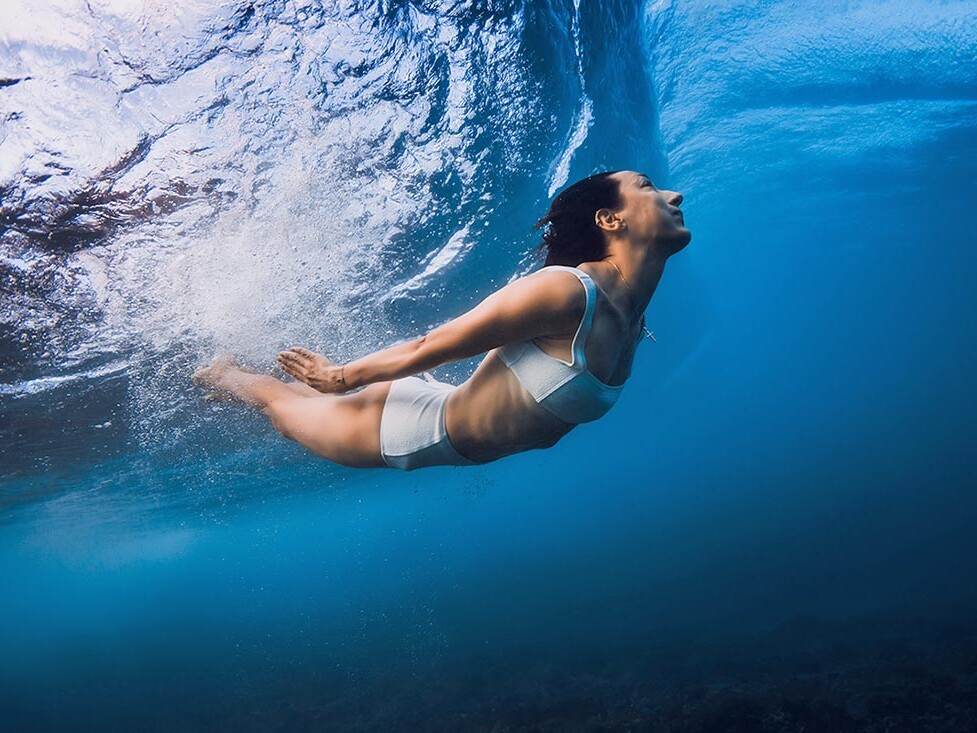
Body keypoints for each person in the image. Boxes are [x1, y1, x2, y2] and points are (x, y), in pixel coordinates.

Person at [193, 170, 690, 470]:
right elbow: (435, 343)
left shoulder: (631, 314)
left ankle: (237, 378)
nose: (674, 196)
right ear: (609, 219)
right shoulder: (566, 292)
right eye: (648, 187)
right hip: (406, 430)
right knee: (279, 405)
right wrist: (338, 377)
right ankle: (221, 373)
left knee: (297, 406)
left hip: (432, 405)